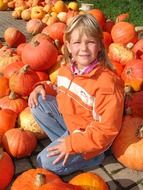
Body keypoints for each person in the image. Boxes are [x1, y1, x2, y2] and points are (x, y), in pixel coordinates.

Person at [28, 13, 124, 176]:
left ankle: (90, 157)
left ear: (100, 45)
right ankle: (66, 145)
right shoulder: (67, 69)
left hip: (91, 139)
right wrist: (42, 86)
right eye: (77, 42)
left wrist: (72, 144)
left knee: (42, 162)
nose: (84, 48)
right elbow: (59, 88)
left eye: (90, 42)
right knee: (38, 101)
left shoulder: (107, 83)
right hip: (72, 126)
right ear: (68, 46)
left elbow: (106, 130)